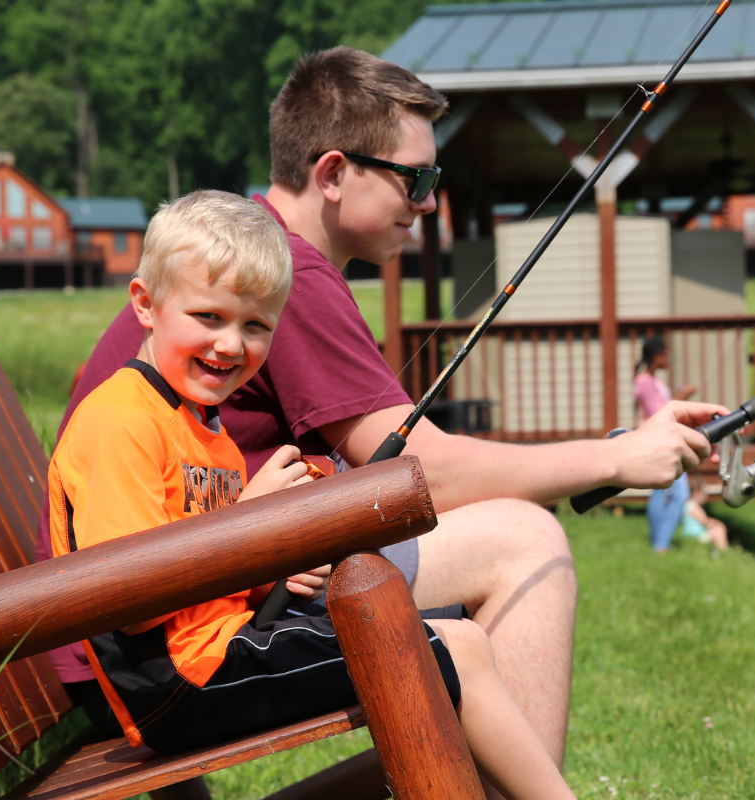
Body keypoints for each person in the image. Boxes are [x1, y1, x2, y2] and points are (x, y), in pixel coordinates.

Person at [37, 46, 728, 793]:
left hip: (206, 608)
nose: (428, 203)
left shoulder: (252, 273)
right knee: (524, 539)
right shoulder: (278, 275)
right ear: (333, 173)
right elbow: (428, 475)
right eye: (417, 179)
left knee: (451, 655)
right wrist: (615, 460)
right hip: (167, 647)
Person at [50, 189, 578, 799]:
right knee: (452, 646)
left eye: (256, 326)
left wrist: (281, 553)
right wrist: (252, 527)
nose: (230, 344)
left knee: (435, 643)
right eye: (209, 317)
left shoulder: (203, 424)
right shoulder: (122, 419)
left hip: (214, 656)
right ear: (146, 304)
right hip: (181, 680)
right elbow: (131, 598)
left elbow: (208, 570)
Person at [633, 337, 697, 552]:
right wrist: (681, 396)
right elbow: (656, 415)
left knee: (662, 492)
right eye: (665, 355)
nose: (668, 360)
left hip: (665, 438)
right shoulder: (643, 381)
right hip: (656, 441)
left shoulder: (654, 381)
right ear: (656, 356)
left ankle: (659, 543)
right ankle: (661, 544)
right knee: (678, 494)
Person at [676, 479, 729, 552]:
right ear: (696, 493)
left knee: (717, 529)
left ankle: (721, 551)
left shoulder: (688, 504)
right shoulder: (693, 506)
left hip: (696, 535)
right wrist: (719, 524)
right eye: (704, 493)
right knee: (719, 530)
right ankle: (724, 551)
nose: (706, 497)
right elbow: (705, 520)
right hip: (695, 535)